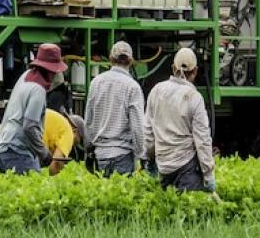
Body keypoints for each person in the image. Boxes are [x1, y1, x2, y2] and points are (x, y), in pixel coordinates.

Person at [144, 48, 215, 193]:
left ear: (172, 67)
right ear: (195, 71)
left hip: (163, 167)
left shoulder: (157, 90)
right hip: (187, 170)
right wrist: (208, 175)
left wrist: (150, 158)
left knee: (169, 211)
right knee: (187, 213)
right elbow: (202, 140)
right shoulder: (194, 97)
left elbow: (148, 131)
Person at [0, 44, 67, 174]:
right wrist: (44, 153)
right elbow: (29, 126)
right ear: (50, 71)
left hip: (0, 145)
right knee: (33, 191)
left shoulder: (26, 76)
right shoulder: (38, 90)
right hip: (16, 151)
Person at [83, 41, 146, 176]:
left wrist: (88, 150)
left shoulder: (96, 83)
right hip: (123, 155)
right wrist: (142, 156)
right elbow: (137, 127)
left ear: (111, 58)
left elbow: (88, 121)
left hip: (100, 156)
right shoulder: (133, 87)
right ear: (130, 60)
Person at [41, 109, 84, 176]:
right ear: (75, 131)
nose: (76, 144)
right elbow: (57, 161)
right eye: (80, 139)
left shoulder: (58, 122)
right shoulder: (68, 131)